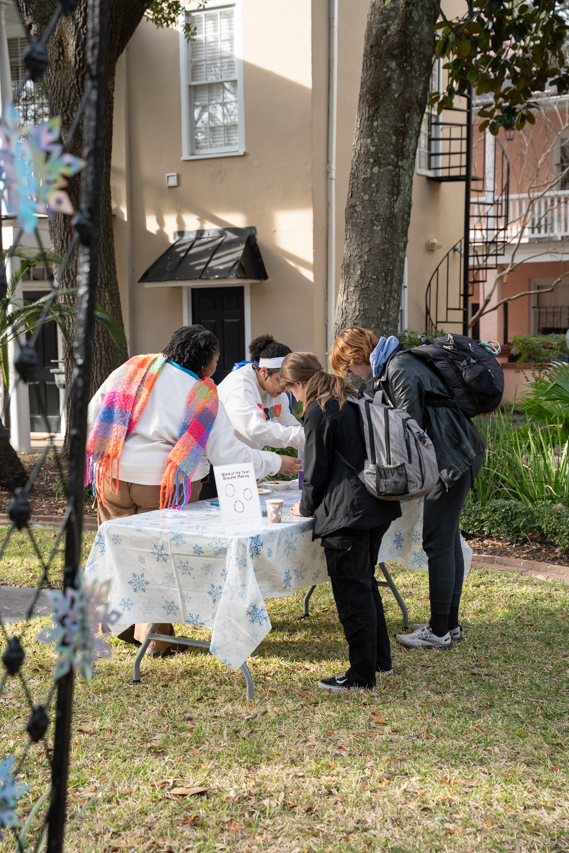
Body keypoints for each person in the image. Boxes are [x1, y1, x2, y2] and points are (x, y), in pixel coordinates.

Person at [87, 325, 294, 656]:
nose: (216, 367)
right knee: (157, 559)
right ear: (205, 363)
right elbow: (229, 455)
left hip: (112, 476)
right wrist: (276, 462)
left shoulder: (133, 367)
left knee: (120, 552)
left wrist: (104, 454)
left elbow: (95, 413)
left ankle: (123, 624)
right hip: (164, 486)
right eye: (215, 361)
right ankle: (156, 639)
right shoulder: (202, 394)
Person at [331, 326, 486, 651]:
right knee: (447, 539)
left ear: (358, 356)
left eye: (349, 367)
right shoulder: (399, 362)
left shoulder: (399, 368)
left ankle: (438, 632)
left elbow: (406, 428)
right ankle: (450, 625)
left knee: (437, 542)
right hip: (458, 451)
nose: (352, 375)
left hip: (450, 458)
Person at [281, 352, 401, 691]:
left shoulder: (319, 408)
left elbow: (316, 469)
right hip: (376, 504)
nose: (293, 397)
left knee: (352, 593)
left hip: (348, 513)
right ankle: (379, 661)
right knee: (364, 584)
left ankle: (361, 675)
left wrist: (305, 508)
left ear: (299, 383)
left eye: (291, 390)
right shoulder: (349, 397)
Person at [217, 334, 304, 459]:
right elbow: (254, 429)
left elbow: (289, 425)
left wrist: (312, 439)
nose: (285, 388)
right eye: (280, 380)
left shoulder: (276, 392)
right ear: (264, 372)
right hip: (223, 461)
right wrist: (278, 461)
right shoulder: (240, 387)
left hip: (248, 459)